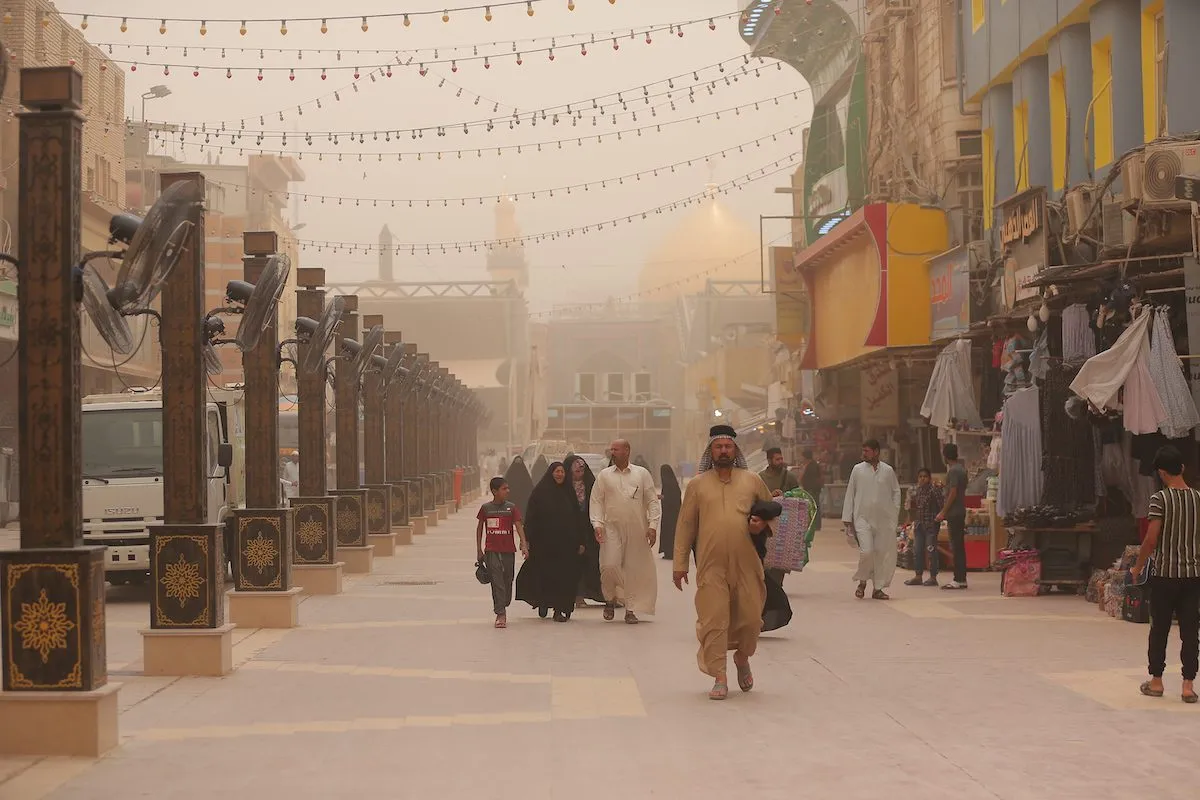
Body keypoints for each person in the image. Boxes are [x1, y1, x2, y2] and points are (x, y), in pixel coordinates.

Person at [673, 425, 773, 699]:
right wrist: (679, 563)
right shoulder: (697, 485)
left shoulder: (751, 480)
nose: (724, 451)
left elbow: (773, 511)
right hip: (711, 565)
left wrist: (761, 524)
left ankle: (742, 657)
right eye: (718, 446)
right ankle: (719, 676)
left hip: (747, 563)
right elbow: (686, 525)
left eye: (728, 446)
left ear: (735, 450)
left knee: (752, 618)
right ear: (711, 451)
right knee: (713, 620)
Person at [1130, 446, 1200, 703]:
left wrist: (1138, 566)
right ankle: (1188, 686)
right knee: (1191, 631)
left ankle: (1157, 682)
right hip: (1193, 576)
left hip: (1165, 576)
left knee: (1159, 629)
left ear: (1161, 472)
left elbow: (1151, 539)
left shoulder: (1160, 499)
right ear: (1182, 468)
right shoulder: (1198, 498)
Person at [590, 438, 661, 624]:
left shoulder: (642, 474)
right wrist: (597, 524)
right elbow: (596, 501)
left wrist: (652, 526)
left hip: (637, 529)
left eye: (616, 449)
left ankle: (630, 609)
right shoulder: (604, 475)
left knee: (633, 570)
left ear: (627, 451)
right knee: (609, 565)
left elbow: (652, 501)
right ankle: (610, 598)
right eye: (611, 449)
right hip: (611, 528)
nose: (612, 452)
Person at [515, 462, 585, 622]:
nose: (560, 474)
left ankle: (560, 609)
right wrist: (527, 541)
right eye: (557, 471)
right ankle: (543, 602)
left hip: (566, 545)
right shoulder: (539, 493)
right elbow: (531, 518)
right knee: (546, 575)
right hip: (544, 546)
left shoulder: (569, 493)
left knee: (565, 576)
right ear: (551, 473)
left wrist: (580, 541)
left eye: (562, 472)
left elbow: (577, 518)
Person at [843, 439, 901, 601]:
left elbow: (896, 492)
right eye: (863, 451)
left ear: (876, 452)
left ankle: (878, 588)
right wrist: (848, 519)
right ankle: (862, 582)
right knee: (867, 551)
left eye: (867, 451)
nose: (864, 454)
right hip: (862, 519)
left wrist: (894, 512)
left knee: (881, 554)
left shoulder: (888, 471)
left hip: (883, 521)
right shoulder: (858, 470)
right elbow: (850, 493)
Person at [476, 477, 528, 629]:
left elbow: (519, 527)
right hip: (491, 550)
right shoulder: (486, 509)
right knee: (497, 581)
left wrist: (524, 544)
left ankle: (504, 602)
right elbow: (479, 528)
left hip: (508, 550)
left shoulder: (511, 508)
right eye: (504, 489)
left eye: (507, 488)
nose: (507, 491)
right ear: (494, 491)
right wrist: (479, 549)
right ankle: (500, 613)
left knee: (507, 579)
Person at [564, 454, 604, 607]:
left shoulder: (592, 486)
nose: (579, 473)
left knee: (592, 562)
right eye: (576, 471)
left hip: (589, 530)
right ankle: (576, 596)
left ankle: (598, 593)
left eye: (582, 470)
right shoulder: (563, 487)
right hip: (570, 532)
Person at [749, 499, 793, 634]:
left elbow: (773, 507)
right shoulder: (701, 486)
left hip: (751, 555)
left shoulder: (752, 482)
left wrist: (761, 519)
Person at [758, 447, 801, 585]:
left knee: (780, 556)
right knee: (765, 554)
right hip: (765, 523)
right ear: (769, 460)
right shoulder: (760, 477)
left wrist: (786, 496)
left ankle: (777, 584)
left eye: (781, 458)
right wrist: (770, 496)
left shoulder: (790, 477)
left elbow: (799, 496)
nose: (780, 461)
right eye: (777, 459)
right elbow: (755, 498)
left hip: (784, 523)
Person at [937, 442, 970, 590]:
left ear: (945, 456)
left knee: (956, 546)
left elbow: (953, 492)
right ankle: (961, 578)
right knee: (958, 546)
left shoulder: (954, 471)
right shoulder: (962, 469)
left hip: (954, 513)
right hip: (959, 511)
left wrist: (943, 511)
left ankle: (959, 578)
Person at [904, 468, 943, 587]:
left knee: (931, 551)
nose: (922, 479)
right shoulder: (918, 490)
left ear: (929, 478)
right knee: (917, 550)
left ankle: (933, 577)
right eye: (920, 476)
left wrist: (938, 518)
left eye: (925, 476)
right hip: (919, 525)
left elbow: (941, 504)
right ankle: (918, 576)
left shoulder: (934, 490)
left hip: (931, 525)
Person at [658, 465, 682, 560]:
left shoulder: (670, 484)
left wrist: (661, 497)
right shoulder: (672, 483)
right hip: (671, 514)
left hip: (671, 515)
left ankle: (670, 552)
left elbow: (671, 498)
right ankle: (668, 552)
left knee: (670, 533)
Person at [798, 449, 824, 531]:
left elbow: (812, 479)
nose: (800, 458)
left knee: (814, 507)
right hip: (809, 489)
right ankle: (813, 524)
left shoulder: (812, 465)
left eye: (802, 456)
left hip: (812, 489)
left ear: (805, 457)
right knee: (811, 507)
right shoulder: (808, 465)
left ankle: (816, 525)